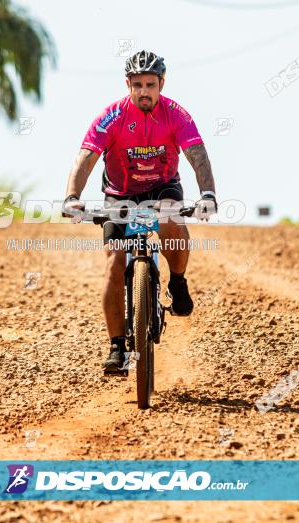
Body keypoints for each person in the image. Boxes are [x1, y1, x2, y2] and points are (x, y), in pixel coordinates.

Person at [63, 50, 218, 375]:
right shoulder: (112, 116)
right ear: (128, 85)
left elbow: (197, 155)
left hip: (162, 188)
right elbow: (86, 157)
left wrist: (207, 194)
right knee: (113, 265)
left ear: (161, 83)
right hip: (119, 194)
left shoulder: (176, 114)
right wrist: (72, 197)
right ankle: (117, 346)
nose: (144, 91)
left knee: (171, 220)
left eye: (150, 84)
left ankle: (177, 283)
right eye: (137, 85)